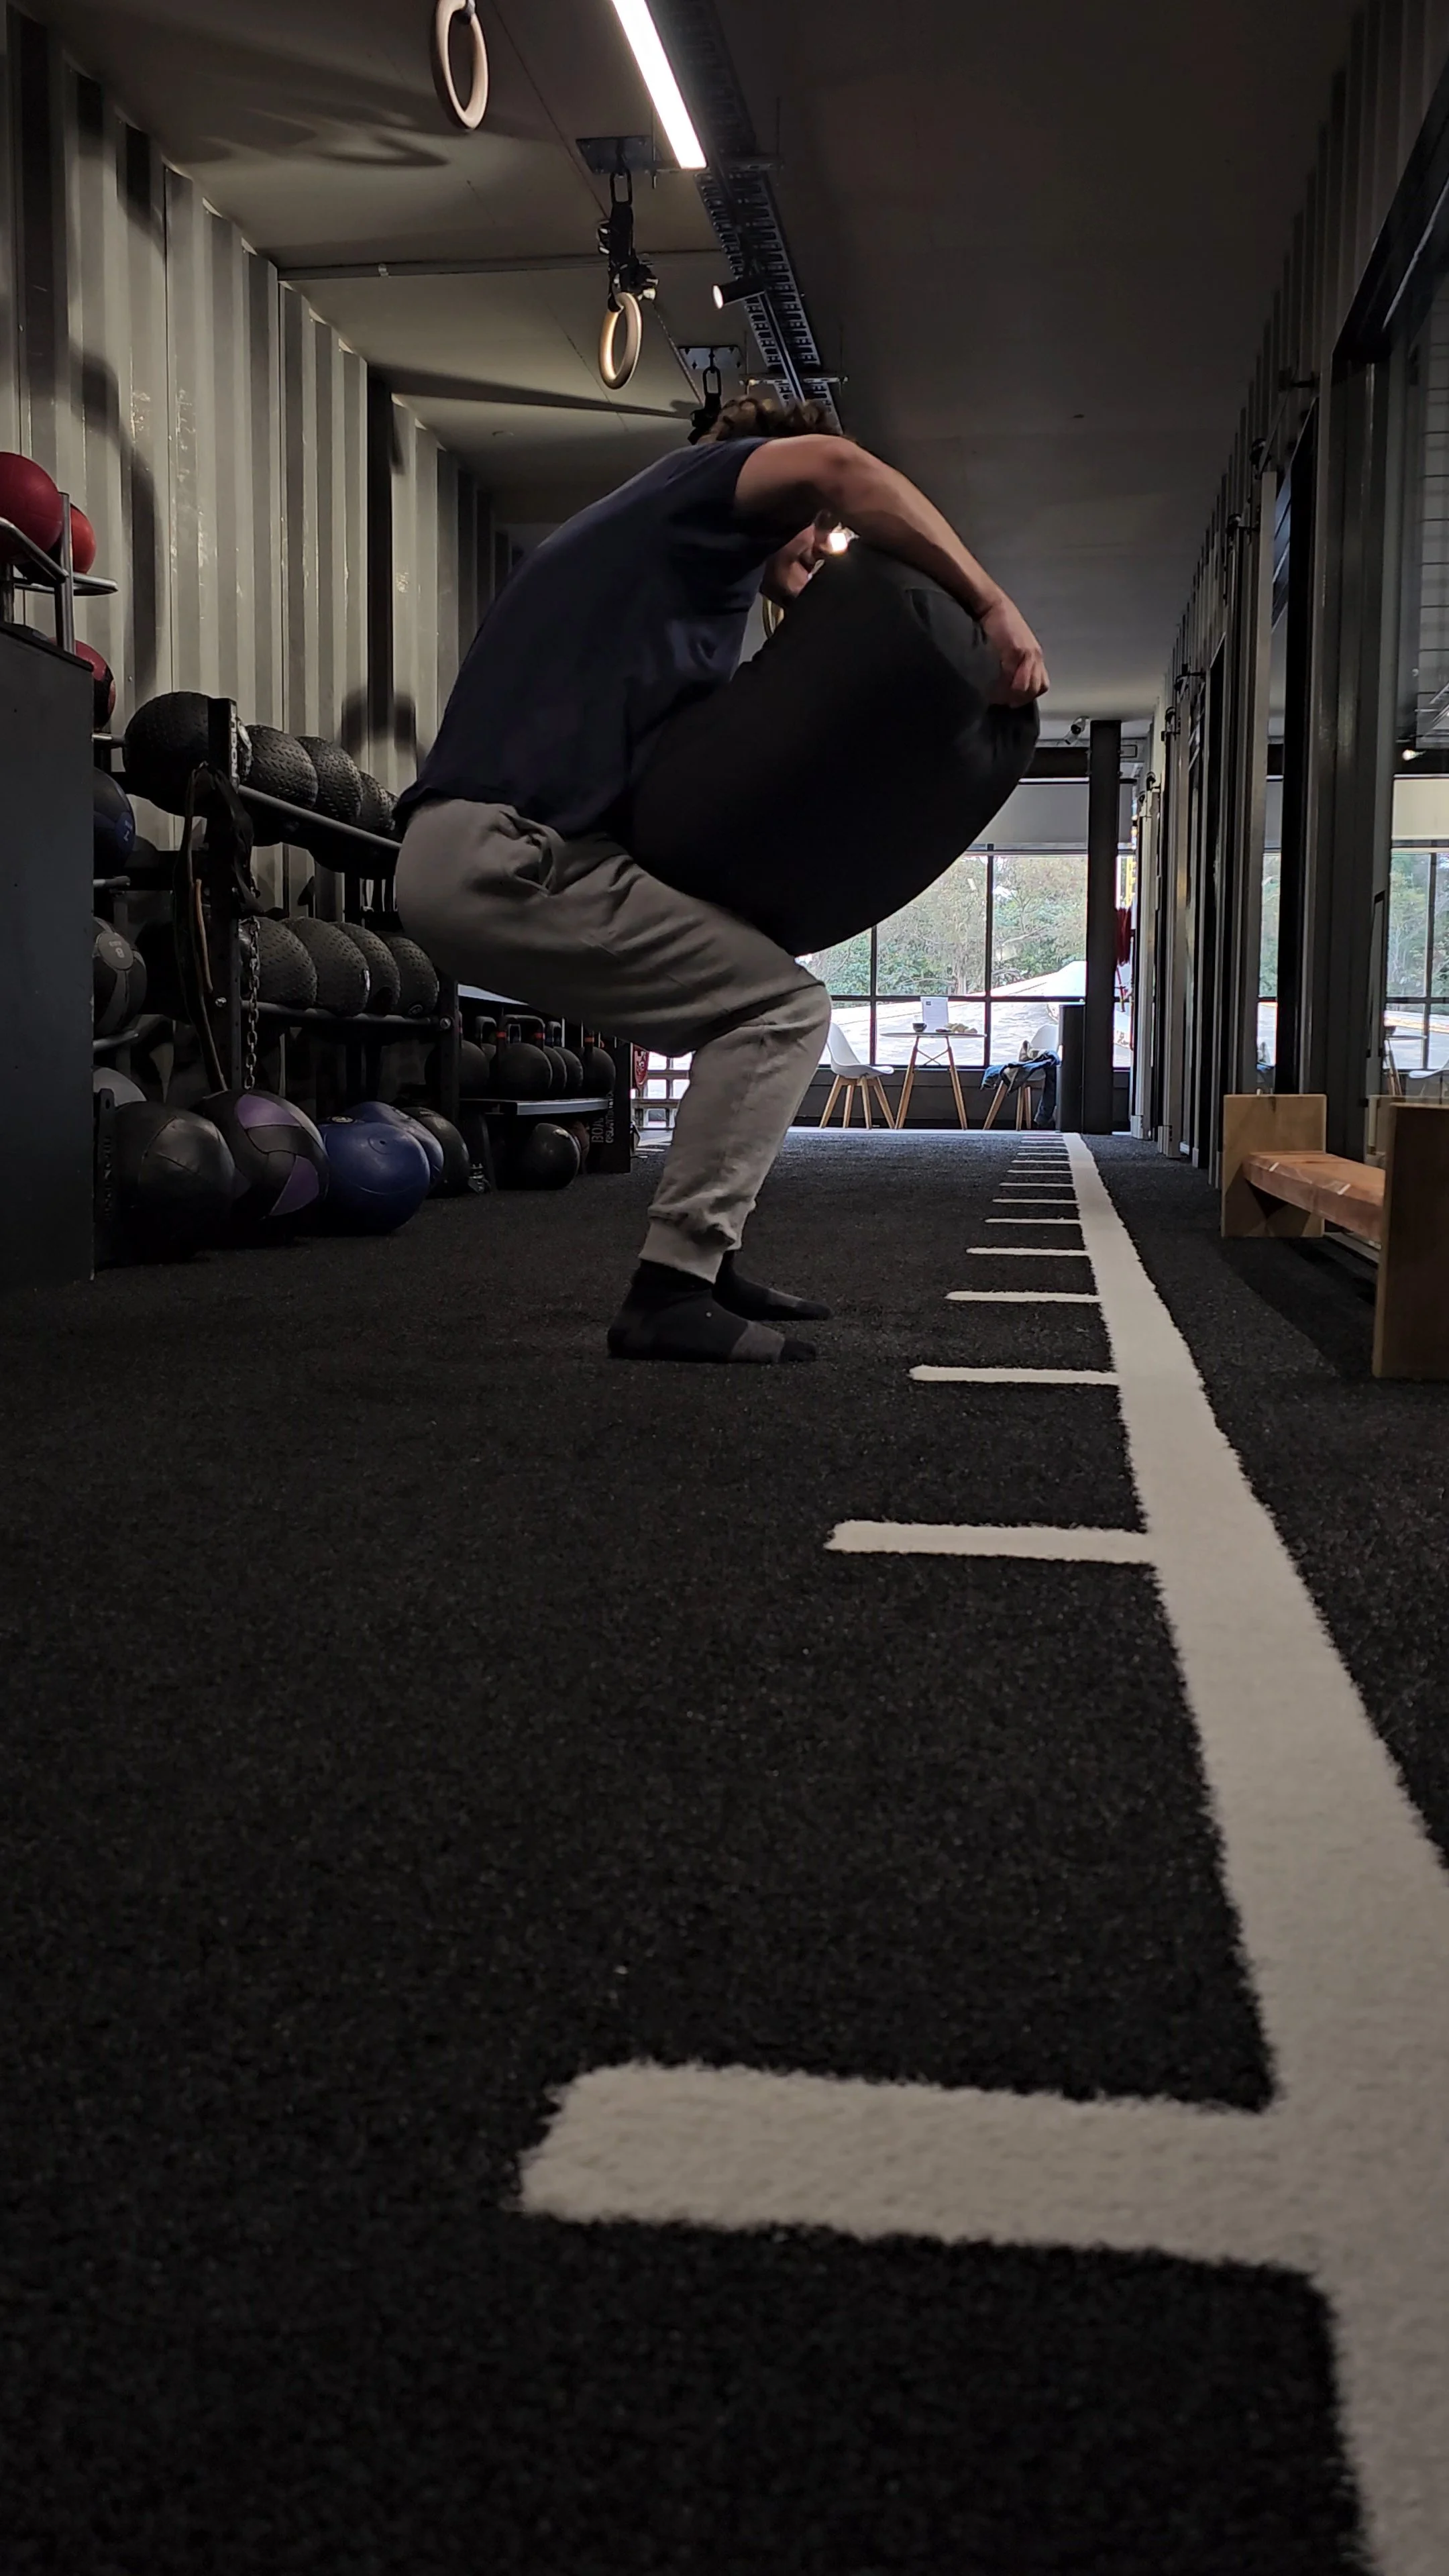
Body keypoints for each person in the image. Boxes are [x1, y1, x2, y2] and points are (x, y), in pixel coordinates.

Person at [393, 392, 1049, 1365]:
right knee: (782, 1010)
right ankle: (671, 1290)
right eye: (813, 526)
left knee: (745, 997)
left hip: (507, 851)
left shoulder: (667, 577)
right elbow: (840, 469)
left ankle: (710, 1256)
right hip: (506, 855)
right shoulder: (693, 492)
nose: (824, 541)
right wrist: (993, 605)